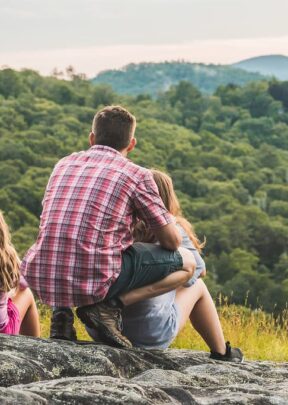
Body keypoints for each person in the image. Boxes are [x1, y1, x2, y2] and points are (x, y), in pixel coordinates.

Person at [21, 105, 196, 348]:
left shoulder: (64, 163)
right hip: (97, 278)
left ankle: (61, 317)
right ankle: (109, 308)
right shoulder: (137, 174)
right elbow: (171, 242)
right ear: (131, 144)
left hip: (41, 274)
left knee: (65, 240)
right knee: (188, 262)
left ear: (92, 138)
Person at [118, 170, 243, 362]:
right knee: (198, 286)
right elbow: (199, 271)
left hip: (108, 328)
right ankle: (221, 351)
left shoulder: (118, 227)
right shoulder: (172, 229)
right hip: (150, 335)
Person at [0, 211, 40, 337]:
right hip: (3, 331)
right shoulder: (6, 255)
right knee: (26, 293)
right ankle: (34, 347)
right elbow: (24, 282)